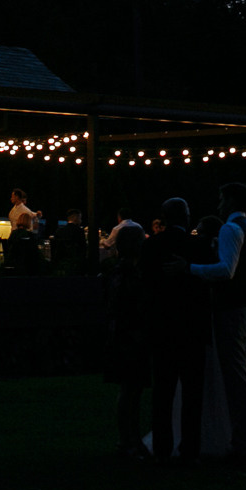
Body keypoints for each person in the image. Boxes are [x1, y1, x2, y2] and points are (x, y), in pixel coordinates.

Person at [190, 181, 246, 466]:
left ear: (229, 201)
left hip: (231, 310)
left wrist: (190, 269)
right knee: (241, 377)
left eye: (221, 199)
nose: (218, 205)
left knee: (236, 379)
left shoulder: (231, 229)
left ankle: (245, 447)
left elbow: (226, 270)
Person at [144, 197, 208, 464]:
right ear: (187, 216)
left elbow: (145, 285)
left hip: (162, 326)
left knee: (162, 391)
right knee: (193, 393)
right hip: (192, 328)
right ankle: (190, 448)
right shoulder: (199, 247)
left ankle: (161, 446)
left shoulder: (152, 246)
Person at [103, 225, 150, 459]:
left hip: (126, 334)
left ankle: (131, 438)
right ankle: (127, 439)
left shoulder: (122, 270)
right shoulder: (127, 272)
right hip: (129, 335)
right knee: (130, 389)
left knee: (132, 390)